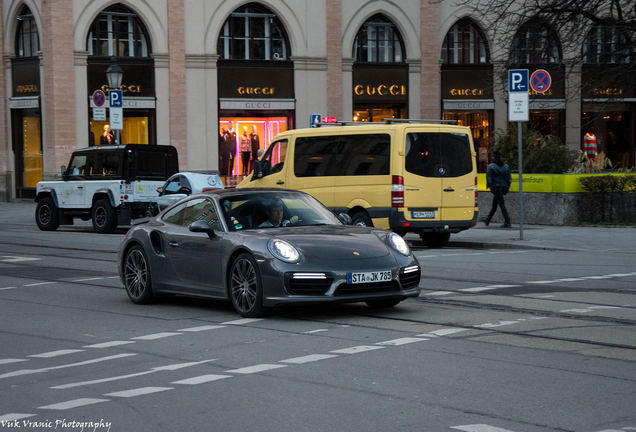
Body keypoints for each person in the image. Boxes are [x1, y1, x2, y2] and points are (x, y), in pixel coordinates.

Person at [482, 151, 512, 228]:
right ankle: (487, 219)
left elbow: (488, 177)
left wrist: (490, 187)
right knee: (495, 204)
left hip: (496, 187)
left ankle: (507, 221)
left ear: (493, 157)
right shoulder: (506, 166)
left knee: (501, 204)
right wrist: (507, 187)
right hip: (504, 187)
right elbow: (509, 178)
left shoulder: (491, 166)